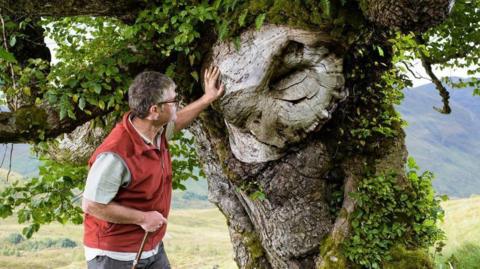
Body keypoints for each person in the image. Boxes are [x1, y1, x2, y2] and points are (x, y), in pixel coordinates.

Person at [81, 66, 224, 269]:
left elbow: (177, 121)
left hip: (152, 247)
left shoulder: (154, 131)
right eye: (174, 101)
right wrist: (143, 218)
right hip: (114, 256)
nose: (177, 104)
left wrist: (207, 98)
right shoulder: (115, 154)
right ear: (154, 110)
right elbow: (92, 205)